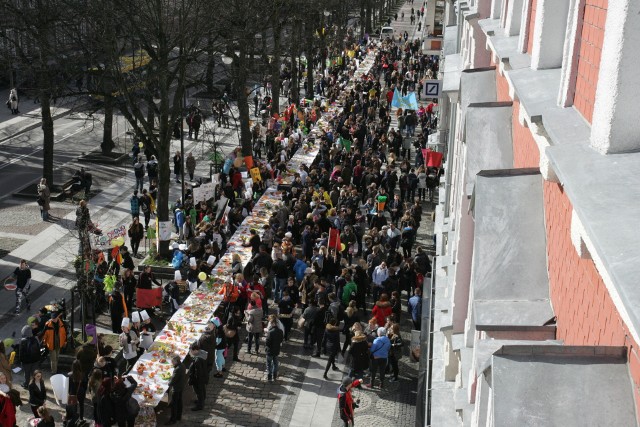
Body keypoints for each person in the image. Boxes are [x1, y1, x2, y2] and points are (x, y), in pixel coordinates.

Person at [188, 343, 207, 411]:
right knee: (202, 390)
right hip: (202, 378)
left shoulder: (197, 360)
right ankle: (201, 400)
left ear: (195, 350)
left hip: (198, 380)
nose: (190, 352)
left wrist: (194, 380)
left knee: (199, 392)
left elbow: (198, 372)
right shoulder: (202, 355)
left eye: (191, 351)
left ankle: (200, 405)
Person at [167, 354, 185, 424]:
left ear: (176, 361)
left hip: (176, 388)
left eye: (172, 361)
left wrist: (169, 382)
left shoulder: (177, 369)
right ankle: (178, 416)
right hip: (180, 386)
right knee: (179, 401)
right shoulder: (182, 365)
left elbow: (172, 381)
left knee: (174, 404)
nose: (171, 363)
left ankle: (173, 420)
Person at [265, 315, 284, 382]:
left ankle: (269, 377)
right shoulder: (280, 331)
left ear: (273, 323)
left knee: (269, 364)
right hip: (276, 350)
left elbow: (267, 343)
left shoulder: (270, 332)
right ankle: (275, 376)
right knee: (275, 363)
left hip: (270, 351)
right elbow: (281, 340)